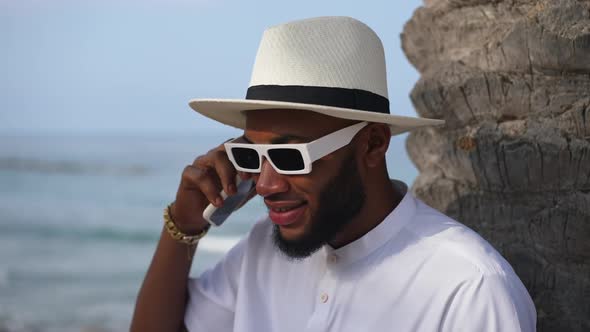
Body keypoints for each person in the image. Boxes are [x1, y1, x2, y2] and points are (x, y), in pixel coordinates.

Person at [131, 16, 537, 332]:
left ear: (373, 144)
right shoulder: (261, 252)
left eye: (290, 157)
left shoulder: (469, 288)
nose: (266, 184)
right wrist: (182, 225)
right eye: (251, 156)